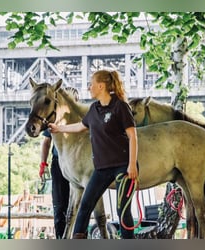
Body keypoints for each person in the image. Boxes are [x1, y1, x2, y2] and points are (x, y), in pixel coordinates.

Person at [48, 68, 138, 239]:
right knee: (85, 206)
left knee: (123, 210)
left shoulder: (120, 106)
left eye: (91, 84)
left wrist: (132, 165)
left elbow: (133, 137)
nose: (89, 87)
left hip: (122, 167)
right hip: (102, 168)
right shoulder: (94, 109)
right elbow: (81, 126)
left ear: (101, 86)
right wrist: (59, 128)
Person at [39, 86, 79, 239]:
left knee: (79, 205)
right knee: (60, 206)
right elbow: (46, 142)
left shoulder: (82, 118)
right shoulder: (54, 119)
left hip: (77, 164)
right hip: (59, 163)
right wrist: (43, 164)